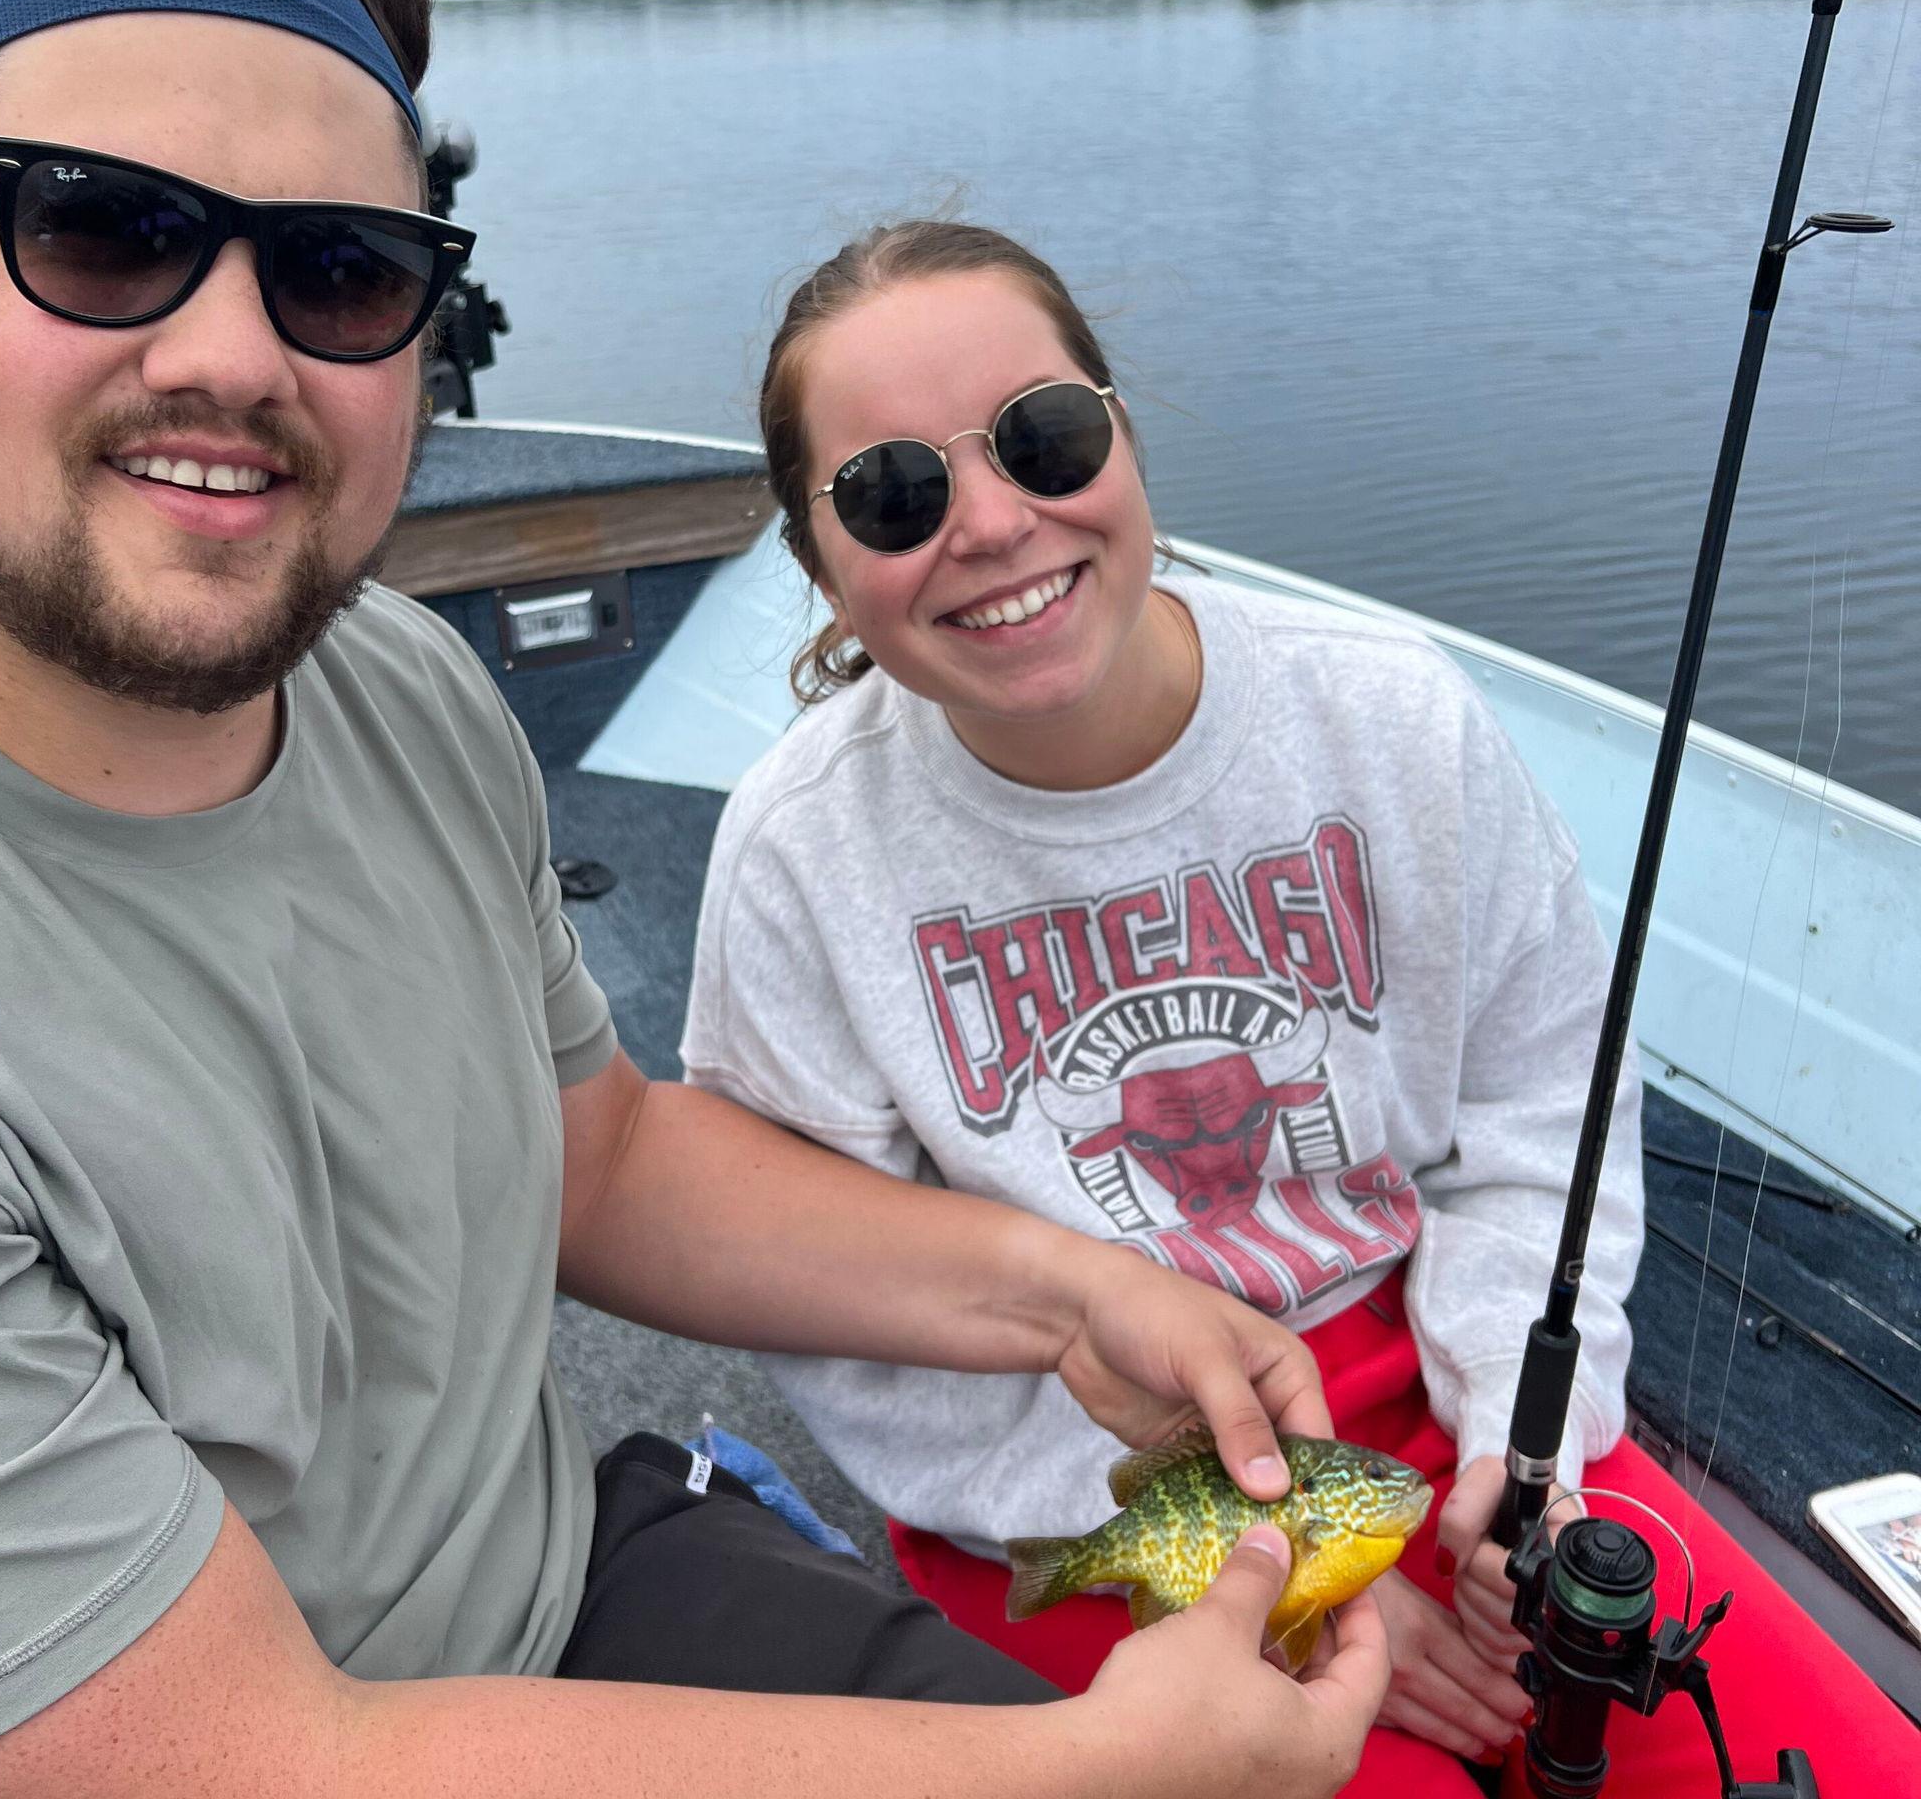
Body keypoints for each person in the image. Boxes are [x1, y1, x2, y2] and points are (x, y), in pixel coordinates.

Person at [0, 0, 1393, 1795]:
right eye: (99, 224)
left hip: (559, 1578)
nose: (232, 356)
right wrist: (1099, 1771)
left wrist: (1068, 1294)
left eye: (338, 267)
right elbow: (246, 1755)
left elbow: (596, 1163)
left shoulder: (395, 685)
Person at [681, 220, 1921, 1792]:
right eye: (893, 495)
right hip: (1090, 1500)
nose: (991, 523)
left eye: (1044, 439)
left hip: (1444, 1394)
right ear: (817, 561)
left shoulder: (1393, 718)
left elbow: (1534, 1123)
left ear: (1126, 439)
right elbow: (843, 1318)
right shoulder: (801, 855)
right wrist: (1271, 1574)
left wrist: (1515, 1452)